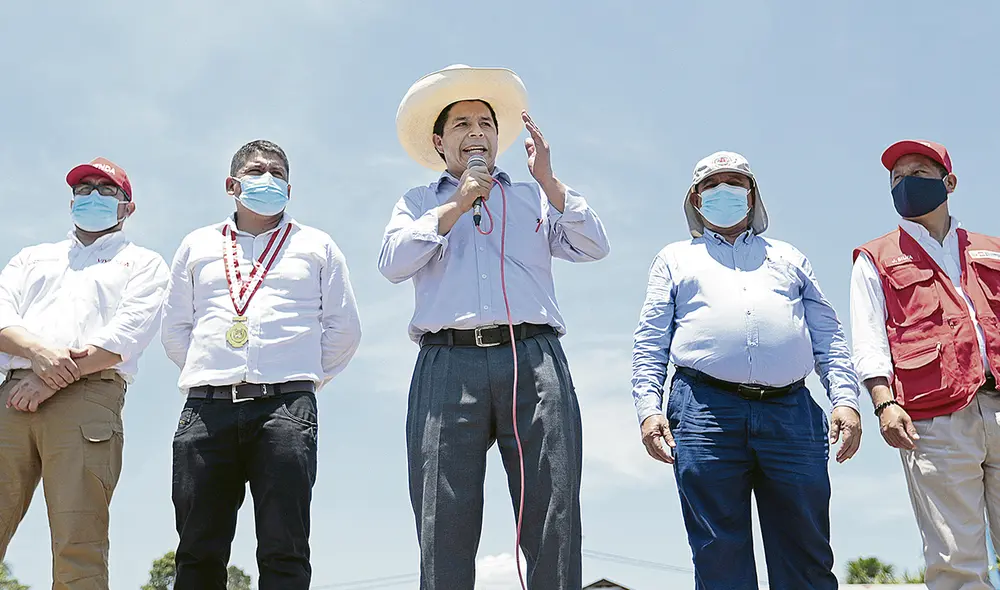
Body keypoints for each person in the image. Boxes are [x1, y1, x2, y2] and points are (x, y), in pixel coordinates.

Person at [379, 64, 610, 589]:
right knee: (444, 518)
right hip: (447, 364)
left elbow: (594, 245)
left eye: (485, 123)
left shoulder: (532, 198)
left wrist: (549, 181)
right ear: (439, 142)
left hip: (532, 357)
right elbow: (393, 262)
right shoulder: (417, 203)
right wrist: (459, 202)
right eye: (461, 125)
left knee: (553, 513)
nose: (476, 132)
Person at [631, 151, 862, 589]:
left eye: (736, 182)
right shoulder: (675, 259)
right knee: (718, 554)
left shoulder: (789, 257)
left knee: (807, 552)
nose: (725, 191)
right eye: (713, 184)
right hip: (704, 410)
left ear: (752, 195)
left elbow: (828, 334)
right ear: (696, 200)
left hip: (791, 411)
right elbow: (651, 340)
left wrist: (846, 400)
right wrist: (648, 408)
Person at [160, 139, 362, 589]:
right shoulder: (196, 245)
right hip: (205, 412)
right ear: (232, 184)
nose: (266, 178)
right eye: (256, 170)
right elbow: (176, 331)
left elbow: (344, 331)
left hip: (286, 411)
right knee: (197, 550)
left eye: (277, 172)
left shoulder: (317, 245)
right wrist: (214, 372)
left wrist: (296, 378)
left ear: (289, 190)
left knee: (284, 548)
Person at [0, 157, 169, 589]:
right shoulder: (32, 258)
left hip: (89, 397)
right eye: (84, 188)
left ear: (127, 207)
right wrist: (38, 356)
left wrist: (48, 377)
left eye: (105, 189)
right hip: (12, 396)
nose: (92, 196)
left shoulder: (144, 264)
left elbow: (124, 336)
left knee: (79, 540)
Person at [851, 139, 1000, 589]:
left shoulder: (991, 249)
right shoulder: (875, 257)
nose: (905, 183)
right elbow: (869, 336)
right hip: (935, 421)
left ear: (949, 183)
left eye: (917, 173)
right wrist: (883, 402)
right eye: (896, 179)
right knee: (955, 559)